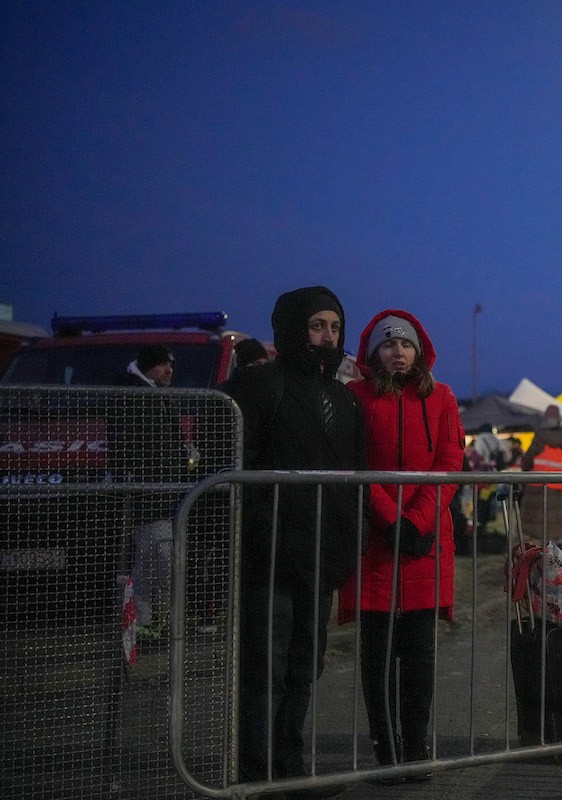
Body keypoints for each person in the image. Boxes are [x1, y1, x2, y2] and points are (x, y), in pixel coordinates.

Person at [226, 286, 365, 790]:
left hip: (321, 556)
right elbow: (234, 467)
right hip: (270, 555)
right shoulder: (263, 387)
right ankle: (256, 768)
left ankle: (288, 765)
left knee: (306, 665)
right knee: (267, 666)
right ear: (292, 329)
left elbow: (355, 475)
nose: (327, 336)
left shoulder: (345, 399)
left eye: (333, 326)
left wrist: (349, 537)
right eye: (316, 325)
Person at [336, 309, 464, 783]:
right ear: (374, 353)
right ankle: (385, 748)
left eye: (406, 344)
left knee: (419, 653)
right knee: (377, 653)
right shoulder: (354, 398)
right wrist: (391, 520)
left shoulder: (443, 398)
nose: (398, 352)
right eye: (389, 345)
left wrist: (418, 520)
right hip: (375, 544)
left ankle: (416, 744)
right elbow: (354, 464)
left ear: (419, 350)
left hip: (425, 543)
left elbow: (451, 458)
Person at [111, 344, 188, 640]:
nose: (169, 370)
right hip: (149, 494)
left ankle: (148, 620)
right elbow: (136, 446)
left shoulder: (155, 393)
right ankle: (154, 619)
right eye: (162, 365)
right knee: (163, 557)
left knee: (152, 560)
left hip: (163, 492)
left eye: (171, 365)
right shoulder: (133, 395)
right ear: (146, 366)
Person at [519, 405, 562, 542]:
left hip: (539, 484)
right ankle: (559, 550)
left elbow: (527, 460)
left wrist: (525, 470)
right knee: (559, 520)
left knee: (539, 521)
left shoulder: (539, 438)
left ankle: (539, 553)